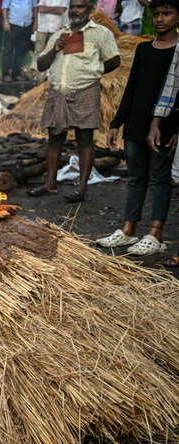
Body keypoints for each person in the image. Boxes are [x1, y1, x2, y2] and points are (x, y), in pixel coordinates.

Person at [97, 0, 178, 256]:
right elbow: (131, 88)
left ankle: (155, 233)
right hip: (136, 123)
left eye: (167, 13)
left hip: (164, 125)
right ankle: (128, 230)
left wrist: (174, 128)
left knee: (160, 179)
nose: (160, 19)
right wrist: (116, 123)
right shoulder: (144, 49)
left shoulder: (178, 52)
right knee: (136, 179)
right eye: (156, 14)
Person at [26, 0, 120, 203]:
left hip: (86, 91)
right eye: (73, 7)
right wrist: (54, 49)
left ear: (89, 9)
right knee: (54, 137)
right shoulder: (60, 32)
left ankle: (81, 189)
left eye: (80, 6)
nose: (75, 10)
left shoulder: (100, 33)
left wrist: (92, 72)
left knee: (84, 139)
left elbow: (115, 60)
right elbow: (41, 65)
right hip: (58, 91)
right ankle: (50, 184)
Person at [1, 0, 35, 81]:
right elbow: (5, 7)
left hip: (26, 24)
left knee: (21, 50)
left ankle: (16, 74)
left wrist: (36, 21)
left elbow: (35, 7)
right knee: (8, 50)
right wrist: (6, 22)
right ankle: (5, 74)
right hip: (13, 24)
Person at [34, 0, 68, 70]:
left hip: (56, 28)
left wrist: (46, 9)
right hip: (42, 27)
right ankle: (35, 71)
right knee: (38, 50)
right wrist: (56, 9)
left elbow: (62, 10)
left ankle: (49, 72)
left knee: (53, 50)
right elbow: (40, 8)